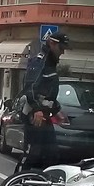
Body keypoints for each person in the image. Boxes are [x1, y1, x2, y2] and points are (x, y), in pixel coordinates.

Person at [17, 32, 71, 171]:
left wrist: (56, 110)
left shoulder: (50, 63)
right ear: (52, 43)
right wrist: (37, 109)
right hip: (35, 116)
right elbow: (31, 87)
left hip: (45, 115)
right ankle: (17, 184)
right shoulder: (40, 61)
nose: (63, 52)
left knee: (51, 156)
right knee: (33, 154)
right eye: (61, 48)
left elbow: (48, 94)